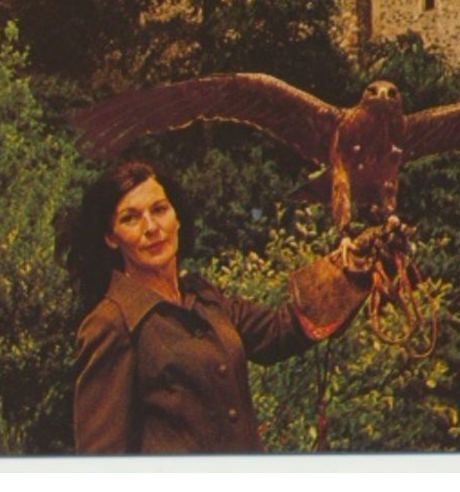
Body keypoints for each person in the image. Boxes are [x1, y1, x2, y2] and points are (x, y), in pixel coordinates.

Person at [63, 160, 376, 453]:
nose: (151, 227)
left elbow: (281, 330)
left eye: (159, 210)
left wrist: (353, 269)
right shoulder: (111, 322)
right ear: (110, 237)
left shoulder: (204, 297)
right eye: (130, 218)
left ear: (177, 217)